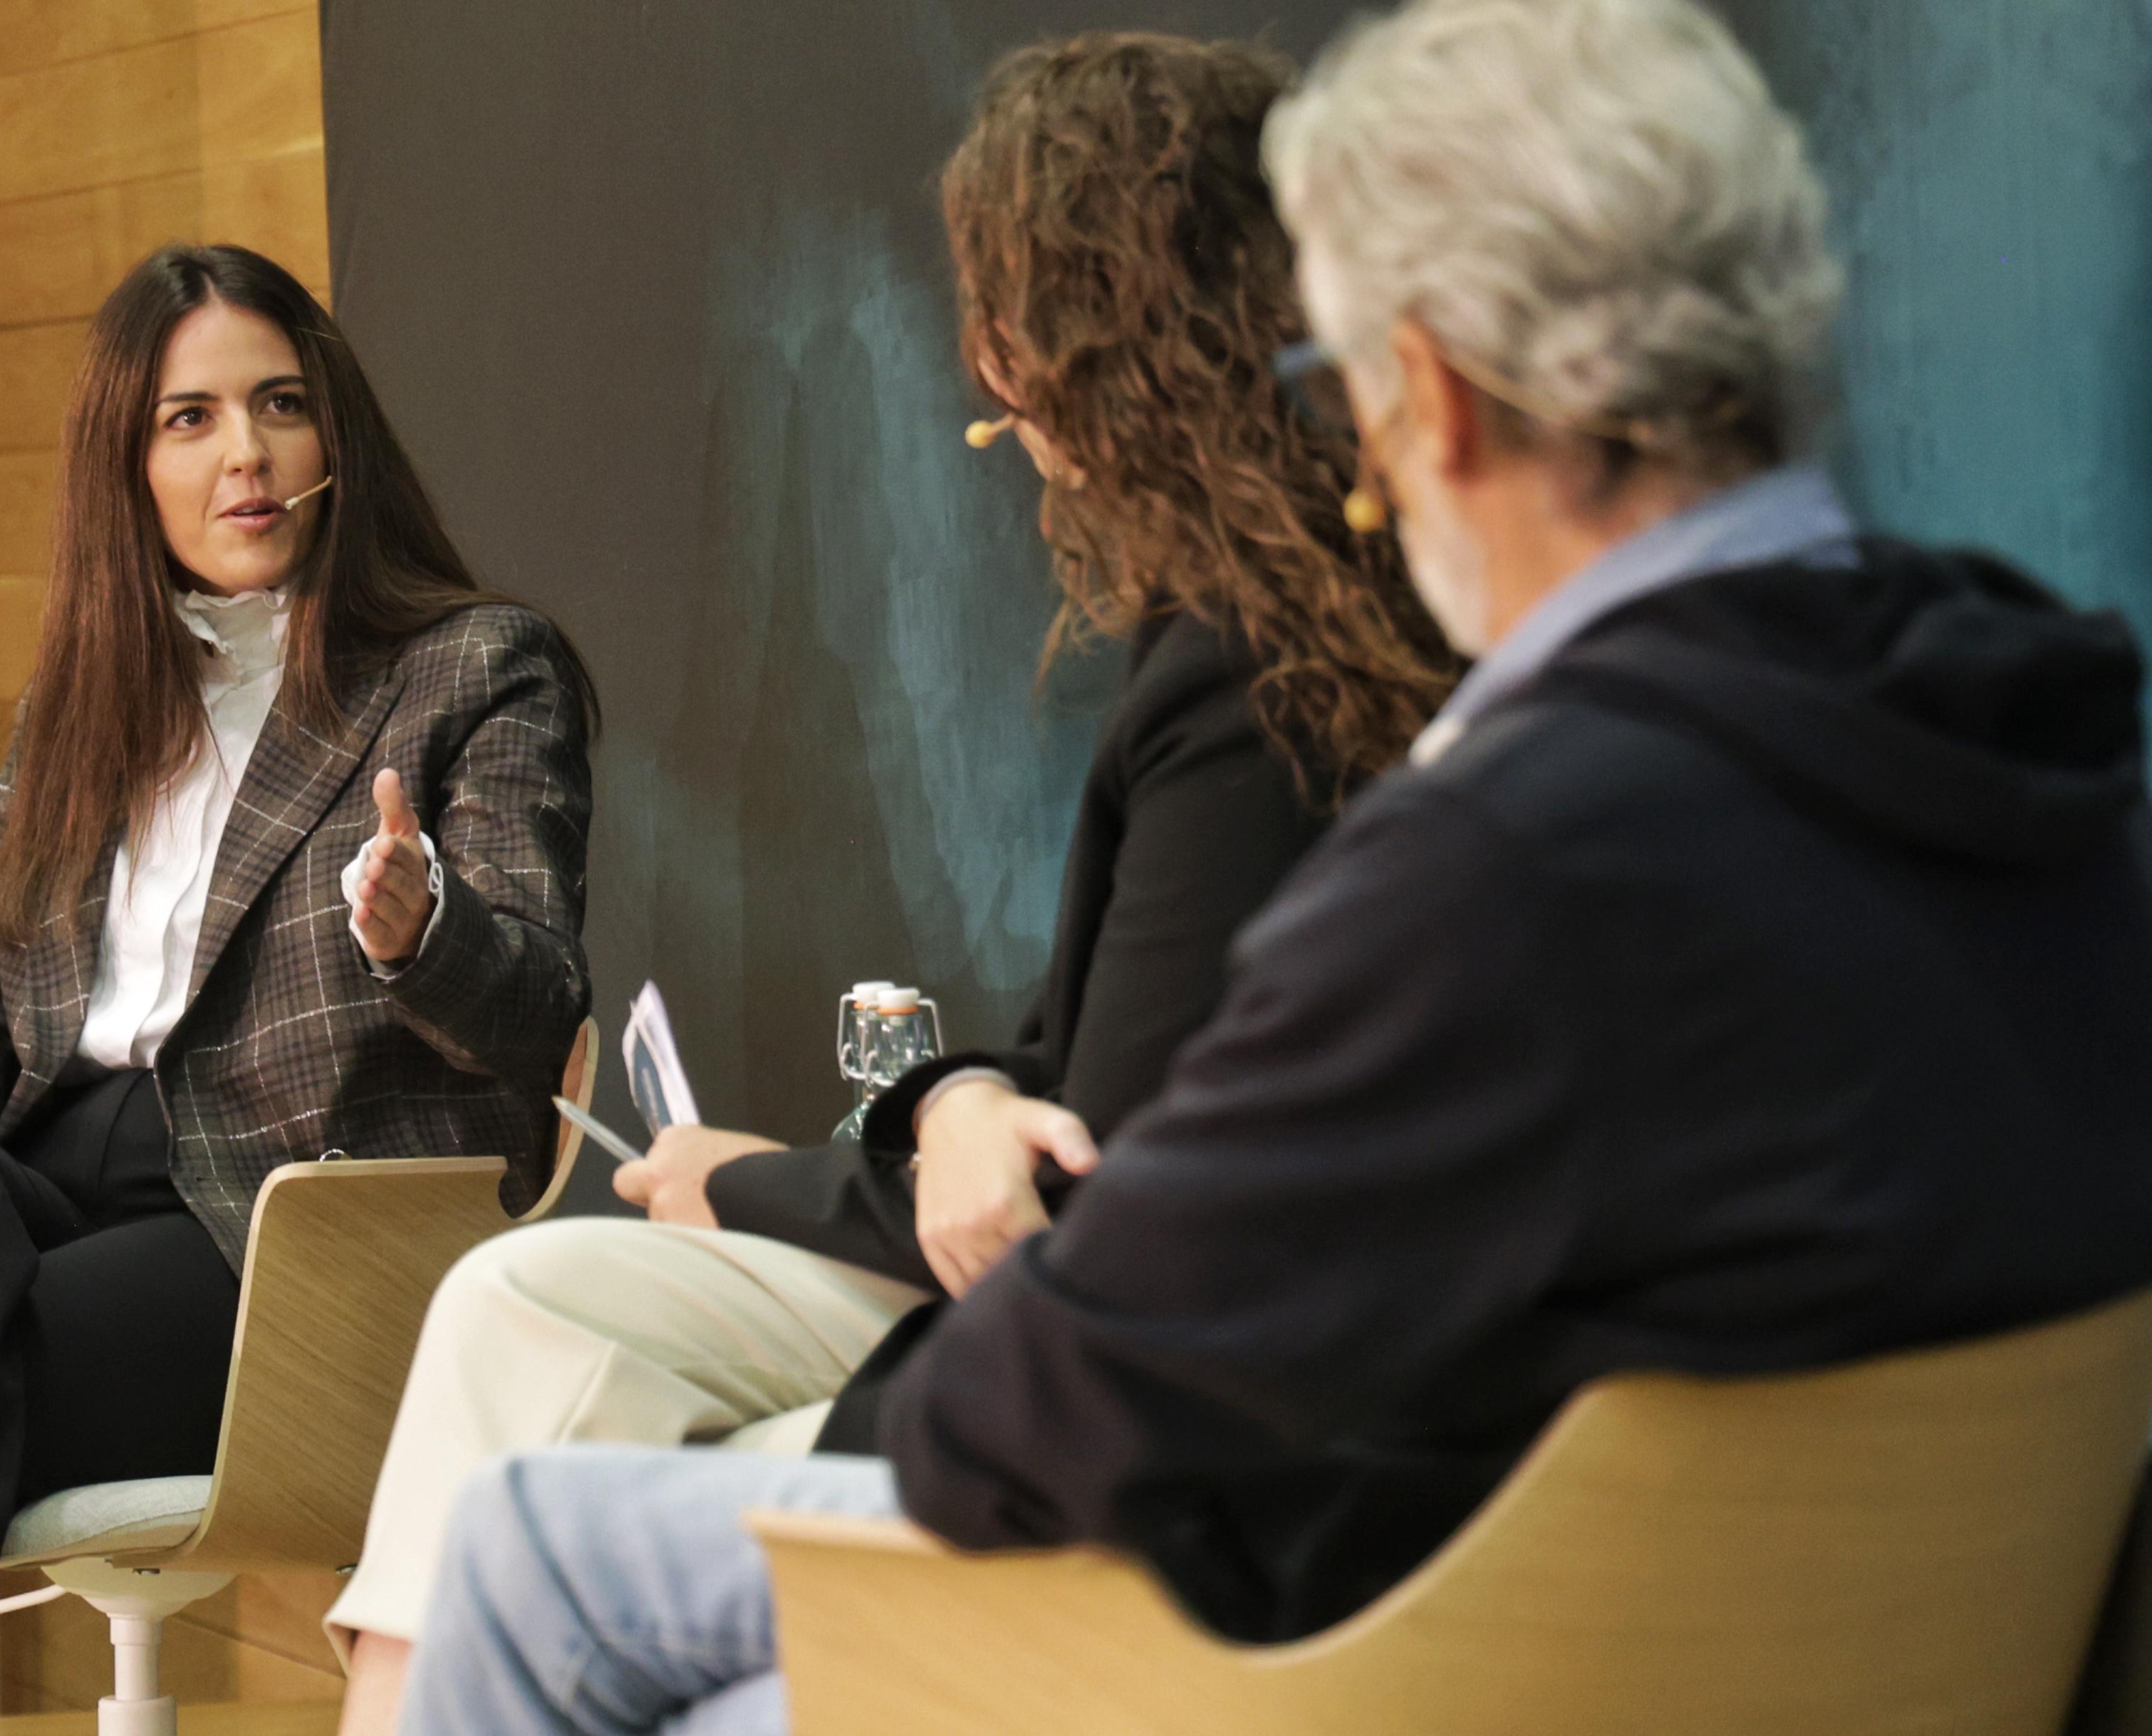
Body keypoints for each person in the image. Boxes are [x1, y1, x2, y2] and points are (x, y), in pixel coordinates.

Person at [395, 1, 2152, 1730]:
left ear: (1434, 398)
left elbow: (1036, 1400)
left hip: (1423, 1649)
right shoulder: (2052, 765)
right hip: (1814, 1647)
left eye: (1347, 394)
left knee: (540, 1553)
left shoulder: (1510, 862)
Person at [321, 33, 1459, 1732]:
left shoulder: (1268, 681)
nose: (985, 397)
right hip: (1088, 1293)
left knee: (535, 1497)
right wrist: (957, 1096)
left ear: (1084, 336)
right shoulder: (1249, 639)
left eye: (1000, 338)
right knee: (518, 1296)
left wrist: (757, 1180)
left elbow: (1098, 1210)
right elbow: (1072, 1060)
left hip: (1152, 1398)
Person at [0, 244, 598, 1736]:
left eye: (279, 405)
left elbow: (536, 1007)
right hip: (60, 1174)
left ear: (339, 437)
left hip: (290, 1234)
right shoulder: (84, 703)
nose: (243, 454)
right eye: (187, 419)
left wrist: (419, 923)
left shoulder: (471, 667)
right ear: (125, 468)